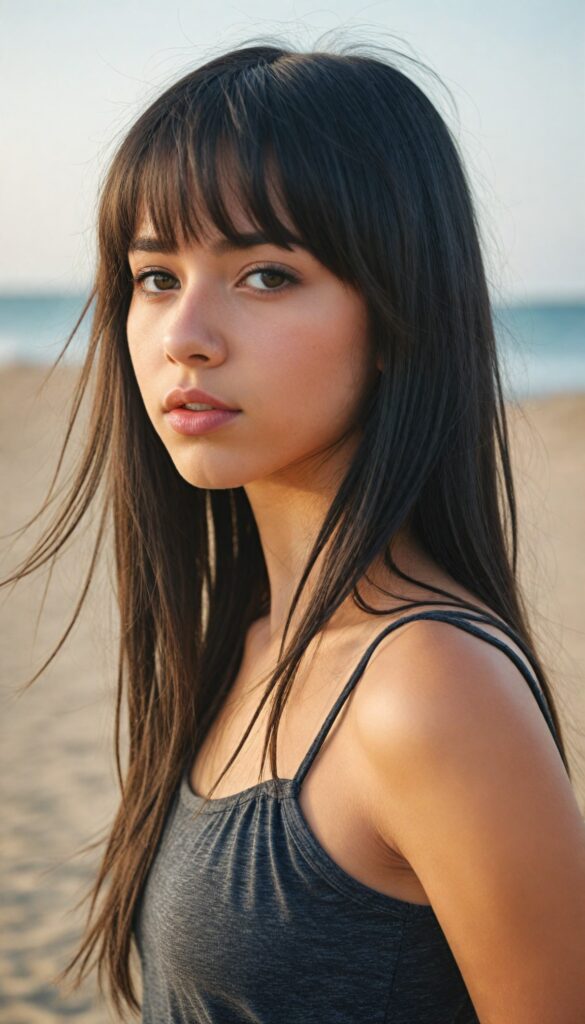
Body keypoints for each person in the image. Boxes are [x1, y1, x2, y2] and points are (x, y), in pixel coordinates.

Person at [5, 37, 585, 1024]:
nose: (186, 331)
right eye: (154, 276)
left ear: (402, 313)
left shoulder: (431, 688)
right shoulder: (256, 637)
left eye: (267, 274)